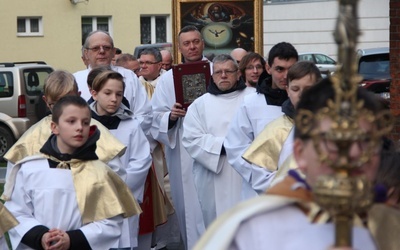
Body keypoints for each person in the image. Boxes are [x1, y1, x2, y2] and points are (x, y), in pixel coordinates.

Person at [194, 78, 400, 250]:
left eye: (366, 142)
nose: (354, 154)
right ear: (300, 153)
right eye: (335, 142)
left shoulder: (387, 222)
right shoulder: (249, 232)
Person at [4, 96, 141, 250]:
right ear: (54, 127)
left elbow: (110, 222)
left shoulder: (99, 173)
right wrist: (41, 236)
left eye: (85, 122)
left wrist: (71, 239)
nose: (79, 128)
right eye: (71, 121)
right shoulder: (30, 169)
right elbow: (16, 213)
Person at [3, 70, 127, 199]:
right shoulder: (31, 137)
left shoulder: (95, 130)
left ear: (79, 96)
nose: (63, 110)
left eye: (68, 102)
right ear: (45, 101)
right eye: (55, 104)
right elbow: (14, 185)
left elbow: (116, 176)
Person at [150, 25, 208, 249]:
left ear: (203, 43)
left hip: (213, 144)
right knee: (189, 205)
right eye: (187, 43)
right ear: (179, 48)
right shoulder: (168, 79)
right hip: (183, 147)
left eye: (196, 41)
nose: (192, 46)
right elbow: (156, 116)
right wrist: (171, 116)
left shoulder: (218, 70)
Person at [182, 54, 255, 228]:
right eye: (218, 72)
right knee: (218, 227)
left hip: (248, 171)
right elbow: (192, 139)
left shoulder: (253, 98)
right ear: (212, 76)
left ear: (238, 74)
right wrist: (225, 145)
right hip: (214, 174)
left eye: (228, 71)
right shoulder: (199, 105)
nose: (223, 75)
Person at [224, 42, 298, 200]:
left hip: (297, 190)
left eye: (291, 69)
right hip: (259, 192)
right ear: (268, 68)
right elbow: (235, 146)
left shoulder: (308, 103)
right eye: (280, 69)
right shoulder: (251, 104)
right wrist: (263, 180)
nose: (285, 76)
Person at [89, 70, 152, 249]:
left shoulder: (131, 125)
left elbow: (141, 161)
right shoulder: (85, 125)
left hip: (123, 199)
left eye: (119, 94)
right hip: (93, 198)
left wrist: (118, 187)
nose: (114, 99)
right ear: (94, 93)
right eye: (107, 93)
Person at [242, 61, 322, 189]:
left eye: (308, 89)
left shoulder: (335, 126)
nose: (301, 95)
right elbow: (261, 178)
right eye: (295, 89)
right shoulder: (275, 130)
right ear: (287, 90)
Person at [73, 30, 152, 134]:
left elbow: (144, 114)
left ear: (113, 52)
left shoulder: (129, 77)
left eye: (106, 47)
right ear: (86, 53)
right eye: (96, 48)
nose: (101, 51)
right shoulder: (75, 80)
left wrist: (124, 130)